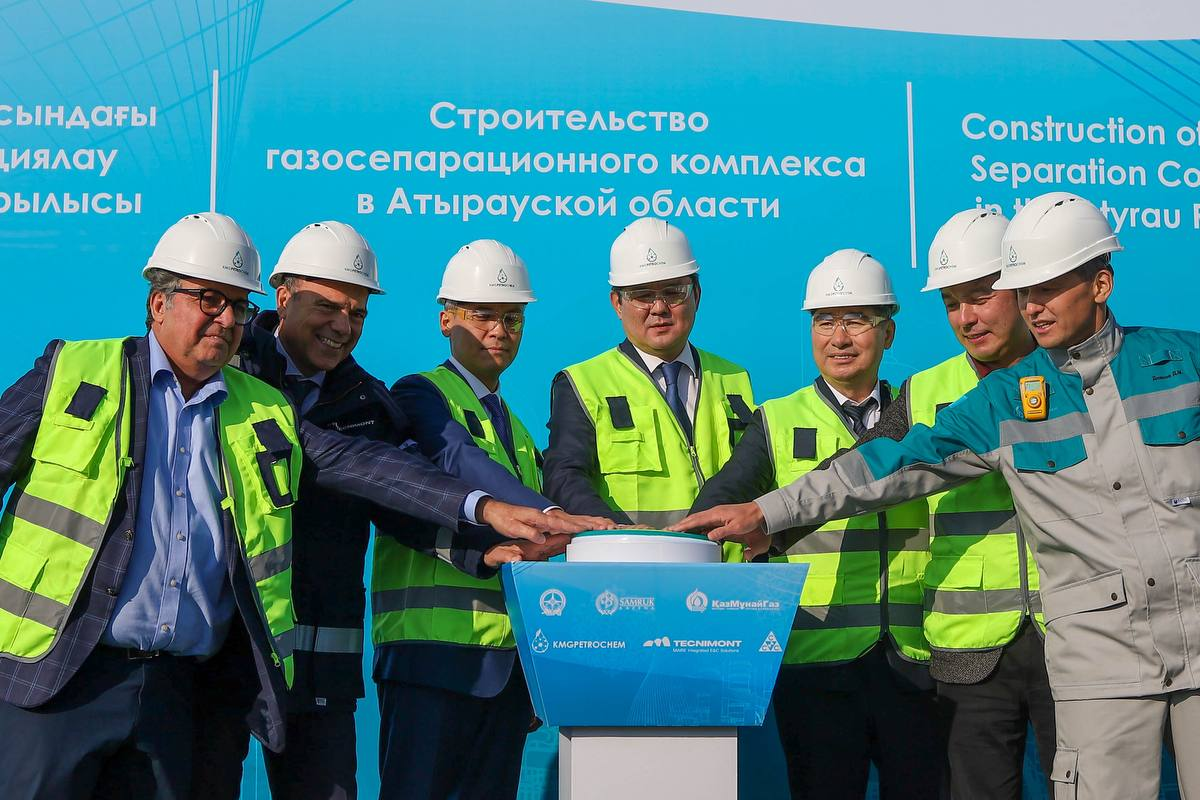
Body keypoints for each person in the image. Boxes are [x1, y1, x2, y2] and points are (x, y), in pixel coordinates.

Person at [0, 212, 575, 800]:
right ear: (159, 303)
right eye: (209, 300)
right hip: (86, 670)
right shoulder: (86, 372)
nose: (225, 319)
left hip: (239, 671)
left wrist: (483, 521)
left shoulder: (301, 404)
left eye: (358, 312)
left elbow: (378, 475)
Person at [674, 191, 1200, 800]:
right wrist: (767, 512)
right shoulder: (999, 398)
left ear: (1100, 284)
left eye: (1039, 289)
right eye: (957, 301)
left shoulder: (1184, 362)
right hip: (1066, 656)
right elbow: (885, 464)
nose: (1029, 306)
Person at [690, 249, 940, 799]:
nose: (839, 338)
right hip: (816, 663)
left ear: (889, 332)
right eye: (825, 322)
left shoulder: (922, 414)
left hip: (914, 656)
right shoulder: (777, 420)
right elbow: (721, 505)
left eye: (857, 321)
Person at [379, 239, 611, 800]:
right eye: (482, 314)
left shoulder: (519, 432)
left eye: (512, 318)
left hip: (504, 669)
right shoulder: (419, 395)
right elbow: (457, 458)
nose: (499, 330)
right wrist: (550, 515)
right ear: (446, 319)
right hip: (431, 659)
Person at [912, 209, 1052, 799]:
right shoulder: (920, 393)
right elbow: (858, 474)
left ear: (1021, 288)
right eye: (951, 303)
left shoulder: (1077, 374)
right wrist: (765, 515)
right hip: (970, 650)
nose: (966, 318)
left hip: (1071, 636)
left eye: (979, 297)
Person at [543, 217, 755, 536]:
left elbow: (754, 473)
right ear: (617, 303)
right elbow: (564, 478)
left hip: (723, 562)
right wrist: (621, 535)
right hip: (627, 562)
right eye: (642, 295)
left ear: (696, 295)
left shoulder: (734, 377)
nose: (659, 308)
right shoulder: (582, 382)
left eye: (673, 292)